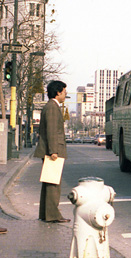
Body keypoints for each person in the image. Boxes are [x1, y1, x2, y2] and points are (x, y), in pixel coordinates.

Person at [34, 80, 70, 223]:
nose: (65, 95)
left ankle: (45, 214)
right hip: (54, 151)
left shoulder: (50, 107)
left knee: (49, 182)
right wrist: (53, 150)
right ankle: (53, 215)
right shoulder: (53, 108)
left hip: (51, 150)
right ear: (58, 92)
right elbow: (52, 131)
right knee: (53, 185)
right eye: (65, 92)